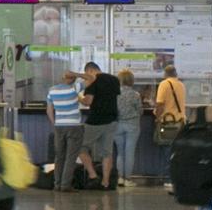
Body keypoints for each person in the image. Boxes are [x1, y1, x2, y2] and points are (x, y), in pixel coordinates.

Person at [78, 61, 121, 190]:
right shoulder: (114, 79)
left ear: (90, 71)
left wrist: (78, 96)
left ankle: (93, 175)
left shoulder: (92, 80)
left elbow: (87, 102)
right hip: (112, 119)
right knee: (107, 152)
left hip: (96, 121)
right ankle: (106, 182)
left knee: (80, 147)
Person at [46, 70, 85, 191]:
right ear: (73, 79)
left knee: (59, 156)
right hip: (74, 126)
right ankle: (65, 185)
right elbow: (91, 78)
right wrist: (77, 74)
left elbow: (49, 110)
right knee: (71, 156)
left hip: (59, 126)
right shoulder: (74, 88)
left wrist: (55, 123)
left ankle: (57, 184)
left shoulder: (52, 90)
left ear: (62, 78)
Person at [155, 65, 188, 186]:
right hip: (180, 123)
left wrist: (157, 117)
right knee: (177, 151)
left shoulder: (164, 84)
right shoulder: (181, 85)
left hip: (168, 123)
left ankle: (169, 178)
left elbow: (160, 104)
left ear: (165, 74)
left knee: (167, 150)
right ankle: (177, 177)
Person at [113, 69, 143, 191]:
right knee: (129, 152)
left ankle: (119, 178)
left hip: (117, 125)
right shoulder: (135, 95)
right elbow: (140, 111)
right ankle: (127, 179)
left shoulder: (114, 94)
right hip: (132, 125)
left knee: (120, 152)